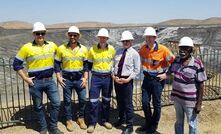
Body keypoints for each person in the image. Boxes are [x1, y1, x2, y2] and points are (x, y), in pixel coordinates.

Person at [13, 22, 63, 134]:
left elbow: (62, 55)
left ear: (45, 34)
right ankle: (43, 127)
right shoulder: (26, 47)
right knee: (38, 106)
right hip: (35, 83)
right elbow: (16, 64)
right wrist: (25, 79)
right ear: (34, 34)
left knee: (56, 103)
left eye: (42, 33)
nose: (40, 35)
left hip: (50, 81)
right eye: (37, 33)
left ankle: (53, 127)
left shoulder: (52, 45)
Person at [157, 37, 207, 134]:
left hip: (190, 102)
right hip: (177, 99)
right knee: (179, 122)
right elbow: (170, 71)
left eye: (186, 48)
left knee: (192, 123)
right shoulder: (176, 60)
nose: (182, 50)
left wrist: (199, 103)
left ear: (191, 50)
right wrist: (163, 75)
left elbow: (201, 84)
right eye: (181, 48)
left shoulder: (197, 64)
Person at [138, 27, 175, 133]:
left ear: (155, 37)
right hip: (146, 79)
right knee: (145, 103)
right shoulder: (143, 49)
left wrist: (167, 74)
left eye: (151, 37)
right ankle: (148, 123)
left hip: (157, 81)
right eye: (147, 37)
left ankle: (154, 125)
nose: (149, 39)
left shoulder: (163, 50)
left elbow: (174, 62)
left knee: (156, 103)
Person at [54, 26, 88, 131]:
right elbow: (56, 64)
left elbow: (86, 65)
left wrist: (85, 78)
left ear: (78, 36)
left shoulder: (84, 49)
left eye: (75, 35)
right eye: (71, 35)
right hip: (67, 80)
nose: (72, 37)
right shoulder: (61, 48)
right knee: (67, 101)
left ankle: (80, 118)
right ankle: (68, 120)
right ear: (68, 36)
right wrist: (58, 77)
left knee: (82, 99)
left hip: (79, 79)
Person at [87, 28, 116, 133]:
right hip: (96, 78)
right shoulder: (92, 49)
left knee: (106, 100)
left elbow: (113, 62)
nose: (103, 39)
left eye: (104, 37)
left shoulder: (112, 49)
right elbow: (88, 65)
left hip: (107, 78)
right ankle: (92, 123)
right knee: (93, 101)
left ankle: (105, 120)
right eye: (101, 37)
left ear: (107, 38)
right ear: (98, 38)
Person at [112, 31, 140, 134]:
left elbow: (137, 70)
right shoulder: (118, 51)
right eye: (124, 41)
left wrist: (128, 79)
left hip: (127, 81)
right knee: (120, 102)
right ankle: (121, 119)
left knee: (128, 104)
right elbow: (113, 65)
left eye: (127, 41)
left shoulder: (134, 54)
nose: (125, 42)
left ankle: (129, 125)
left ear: (131, 41)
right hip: (117, 79)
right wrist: (113, 76)